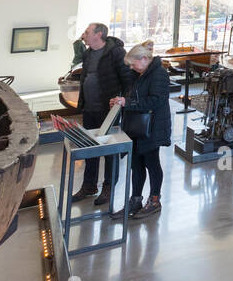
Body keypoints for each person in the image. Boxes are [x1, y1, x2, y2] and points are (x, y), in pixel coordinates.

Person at [71, 23, 133, 205]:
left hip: (108, 110)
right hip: (89, 108)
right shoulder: (88, 53)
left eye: (87, 32)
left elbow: (127, 80)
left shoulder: (116, 53)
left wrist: (122, 102)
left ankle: (109, 186)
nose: (84, 35)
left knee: (109, 150)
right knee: (90, 147)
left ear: (98, 34)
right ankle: (89, 185)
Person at [112, 42, 171, 220]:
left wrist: (127, 103)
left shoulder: (159, 74)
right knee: (136, 164)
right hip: (137, 128)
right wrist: (121, 101)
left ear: (144, 59)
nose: (131, 67)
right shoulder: (140, 74)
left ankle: (154, 200)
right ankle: (135, 200)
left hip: (152, 128)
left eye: (133, 64)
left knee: (152, 164)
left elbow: (156, 101)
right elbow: (133, 96)